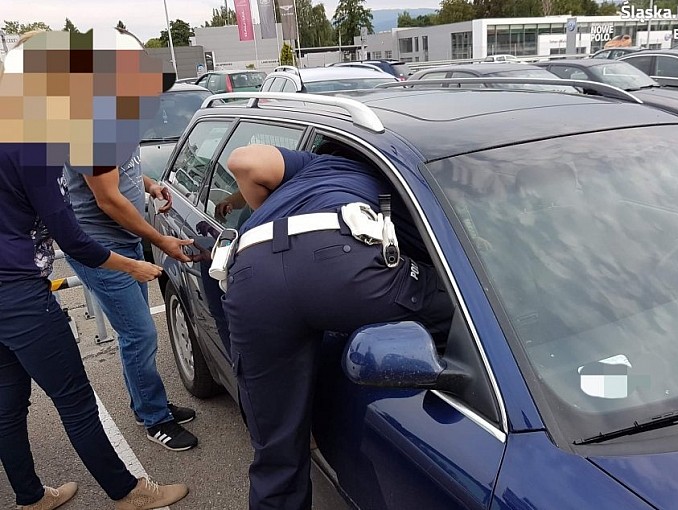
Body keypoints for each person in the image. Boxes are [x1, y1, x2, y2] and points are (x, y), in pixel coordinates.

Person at [0, 35, 188, 510]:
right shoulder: (30, 143)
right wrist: (136, 263)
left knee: (7, 404)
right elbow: (74, 236)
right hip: (19, 292)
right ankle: (130, 492)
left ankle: (29, 495)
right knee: (77, 400)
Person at [220, 144, 454, 509]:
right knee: (461, 312)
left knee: (276, 455)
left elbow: (243, 160)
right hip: (343, 262)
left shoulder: (316, 164)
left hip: (252, 275)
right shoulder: (398, 172)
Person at [64, 146, 200, 452]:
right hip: (101, 249)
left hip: (124, 240)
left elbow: (124, 170)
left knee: (135, 334)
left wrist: (150, 185)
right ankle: (155, 419)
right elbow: (108, 198)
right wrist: (160, 239)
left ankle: (145, 405)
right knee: (139, 334)